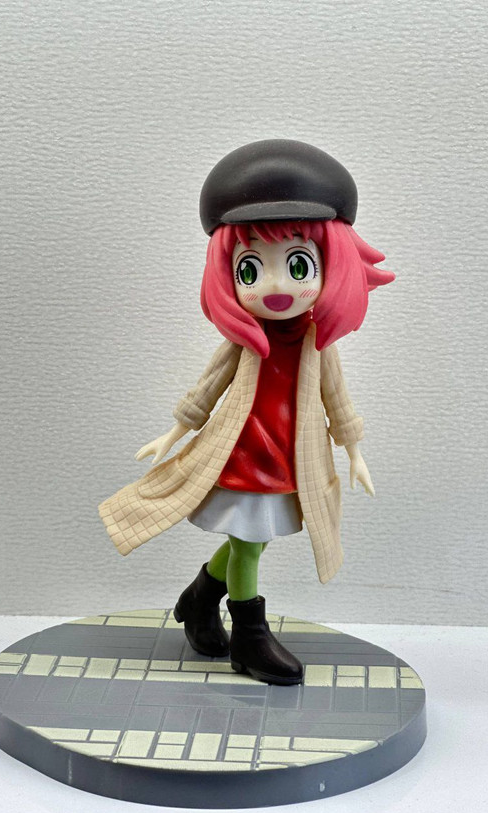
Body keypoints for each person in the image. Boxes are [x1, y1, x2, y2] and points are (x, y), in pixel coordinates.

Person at [99, 140, 394, 684]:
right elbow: (209, 386)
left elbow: (337, 398)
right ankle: (249, 639)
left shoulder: (316, 344)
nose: (277, 286)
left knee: (248, 542)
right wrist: (175, 431)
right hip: (241, 454)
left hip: (288, 457)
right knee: (249, 546)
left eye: (299, 265)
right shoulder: (244, 341)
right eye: (251, 269)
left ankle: (200, 596)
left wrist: (353, 450)